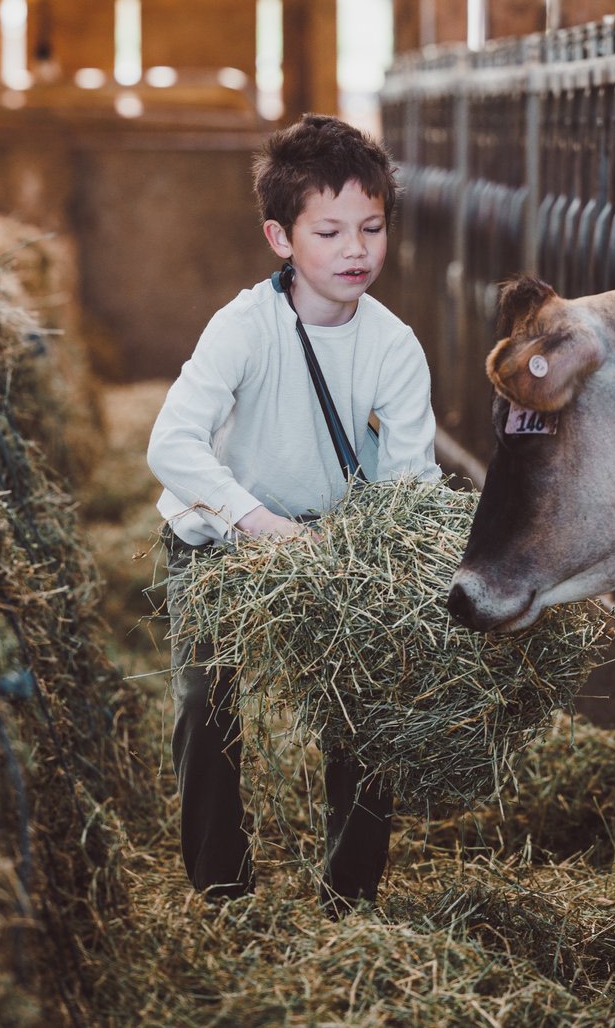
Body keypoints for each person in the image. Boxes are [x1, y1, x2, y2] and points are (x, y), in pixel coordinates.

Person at [147, 113, 439, 915]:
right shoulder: (244, 327)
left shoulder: (393, 346)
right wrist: (255, 524)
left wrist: (374, 557)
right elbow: (170, 445)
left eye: (372, 228)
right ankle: (221, 889)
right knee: (207, 703)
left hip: (338, 545)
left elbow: (412, 479)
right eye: (331, 231)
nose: (357, 250)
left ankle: (350, 895)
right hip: (220, 538)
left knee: (368, 702)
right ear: (281, 239)